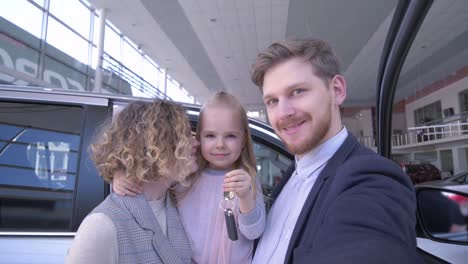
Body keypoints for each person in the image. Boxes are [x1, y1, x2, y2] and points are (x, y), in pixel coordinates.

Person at [250, 39, 422, 263]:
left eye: (298, 91)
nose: (283, 112)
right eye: (272, 101)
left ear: (337, 90)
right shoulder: (292, 174)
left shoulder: (371, 178)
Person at [113, 91, 266, 263]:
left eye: (230, 136)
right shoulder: (186, 176)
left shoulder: (248, 180)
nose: (220, 144)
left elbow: (254, 232)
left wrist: (245, 198)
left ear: (244, 140)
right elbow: (150, 179)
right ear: (198, 137)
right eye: (210, 136)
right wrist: (118, 176)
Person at [66, 100, 197, 264]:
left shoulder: (179, 203)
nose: (195, 143)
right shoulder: (102, 226)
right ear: (155, 146)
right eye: (185, 135)